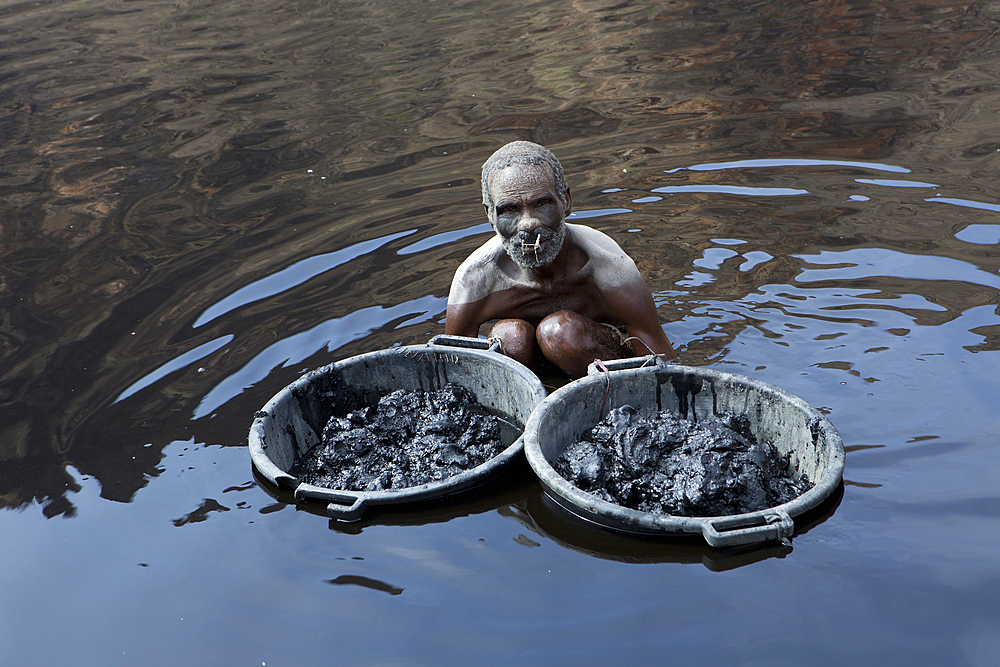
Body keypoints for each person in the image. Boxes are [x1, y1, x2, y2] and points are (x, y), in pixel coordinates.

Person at [445, 141, 676, 378]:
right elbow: (453, 371)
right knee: (509, 338)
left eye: (542, 204)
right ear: (490, 216)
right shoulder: (475, 279)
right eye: (510, 210)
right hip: (527, 376)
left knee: (560, 333)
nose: (528, 224)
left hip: (604, 367)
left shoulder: (608, 268)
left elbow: (665, 366)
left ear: (565, 201)